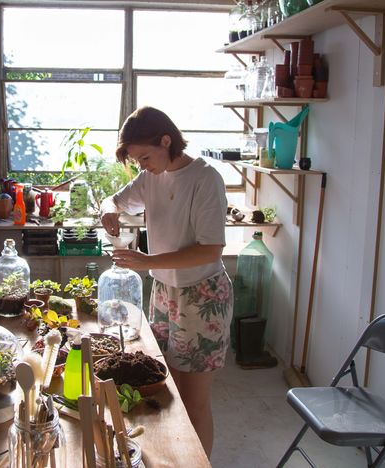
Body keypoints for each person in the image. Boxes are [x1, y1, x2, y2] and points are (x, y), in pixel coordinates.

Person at [100, 106, 233, 457]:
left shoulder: (205, 178)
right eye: (137, 161)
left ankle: (198, 463)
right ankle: (176, 459)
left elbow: (211, 250)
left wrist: (148, 261)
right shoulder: (151, 176)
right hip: (164, 292)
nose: (143, 166)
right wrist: (108, 209)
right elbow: (114, 198)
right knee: (165, 388)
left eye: (145, 157)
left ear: (166, 140)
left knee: (194, 399)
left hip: (201, 295)